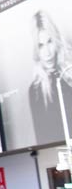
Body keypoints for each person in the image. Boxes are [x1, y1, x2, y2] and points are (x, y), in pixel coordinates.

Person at [29, 10, 72, 143]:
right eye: (41, 46)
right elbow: (42, 141)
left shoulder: (69, 75)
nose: (47, 53)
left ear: (56, 41)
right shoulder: (35, 92)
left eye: (49, 42)